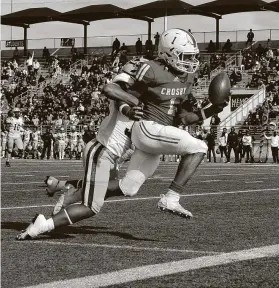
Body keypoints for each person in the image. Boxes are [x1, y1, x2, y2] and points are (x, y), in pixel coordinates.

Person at [16, 29, 228, 240]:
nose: (190, 61)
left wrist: (211, 110)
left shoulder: (184, 77)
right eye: (186, 56)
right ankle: (45, 223)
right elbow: (113, 90)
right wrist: (131, 104)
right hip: (117, 142)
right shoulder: (145, 69)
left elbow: (181, 118)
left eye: (192, 57)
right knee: (93, 204)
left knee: (128, 187)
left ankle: (63, 187)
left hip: (124, 146)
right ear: (168, 53)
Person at [16, 58, 146, 239]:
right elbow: (114, 95)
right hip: (103, 150)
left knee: (113, 188)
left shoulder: (139, 94)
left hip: (111, 153)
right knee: (93, 203)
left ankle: (59, 185)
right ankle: (48, 219)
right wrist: (134, 107)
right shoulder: (124, 91)